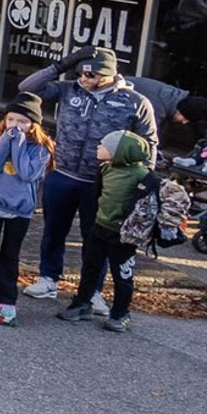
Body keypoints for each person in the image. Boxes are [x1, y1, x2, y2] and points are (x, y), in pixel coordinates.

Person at [17, 49, 158, 301]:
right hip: (61, 172)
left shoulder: (135, 102)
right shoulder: (69, 89)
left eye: (91, 74)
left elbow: (149, 144)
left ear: (109, 75)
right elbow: (28, 87)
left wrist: (142, 183)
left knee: (96, 238)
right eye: (80, 72)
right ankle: (48, 278)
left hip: (102, 182)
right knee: (53, 230)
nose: (84, 78)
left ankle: (92, 289)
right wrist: (61, 66)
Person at [58, 131, 164, 331]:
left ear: (121, 152)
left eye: (104, 146)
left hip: (123, 235)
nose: (98, 148)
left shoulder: (143, 175)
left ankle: (120, 312)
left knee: (122, 275)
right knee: (90, 267)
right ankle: (82, 303)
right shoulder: (105, 168)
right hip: (99, 227)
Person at [0, 103, 52, 324]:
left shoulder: (41, 149)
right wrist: (5, 143)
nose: (16, 126)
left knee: (10, 255)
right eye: (11, 120)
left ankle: (6, 302)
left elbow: (27, 173)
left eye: (23, 121)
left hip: (20, 210)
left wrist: (19, 146)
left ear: (33, 125)